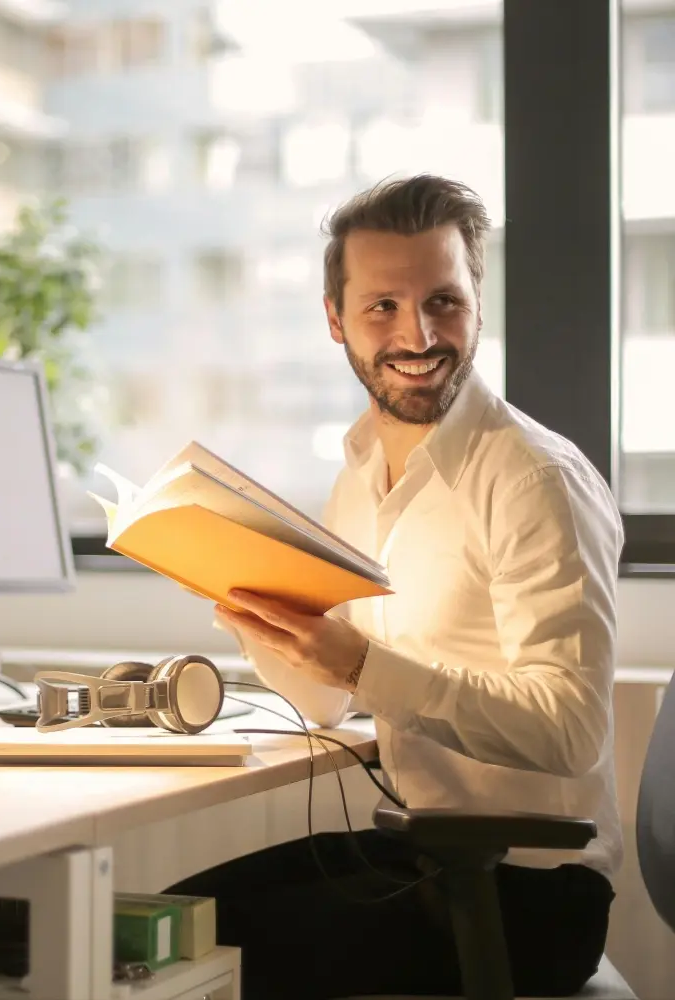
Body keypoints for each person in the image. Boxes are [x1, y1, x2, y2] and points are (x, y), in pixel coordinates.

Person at [165, 174, 622, 998]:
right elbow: (328, 704)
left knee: (181, 960)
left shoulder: (533, 478)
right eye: (383, 307)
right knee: (166, 920)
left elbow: (570, 730)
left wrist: (360, 664)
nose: (419, 334)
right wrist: (251, 610)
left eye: (444, 301)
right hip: (426, 853)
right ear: (335, 320)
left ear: (477, 302)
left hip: (530, 893)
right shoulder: (363, 471)